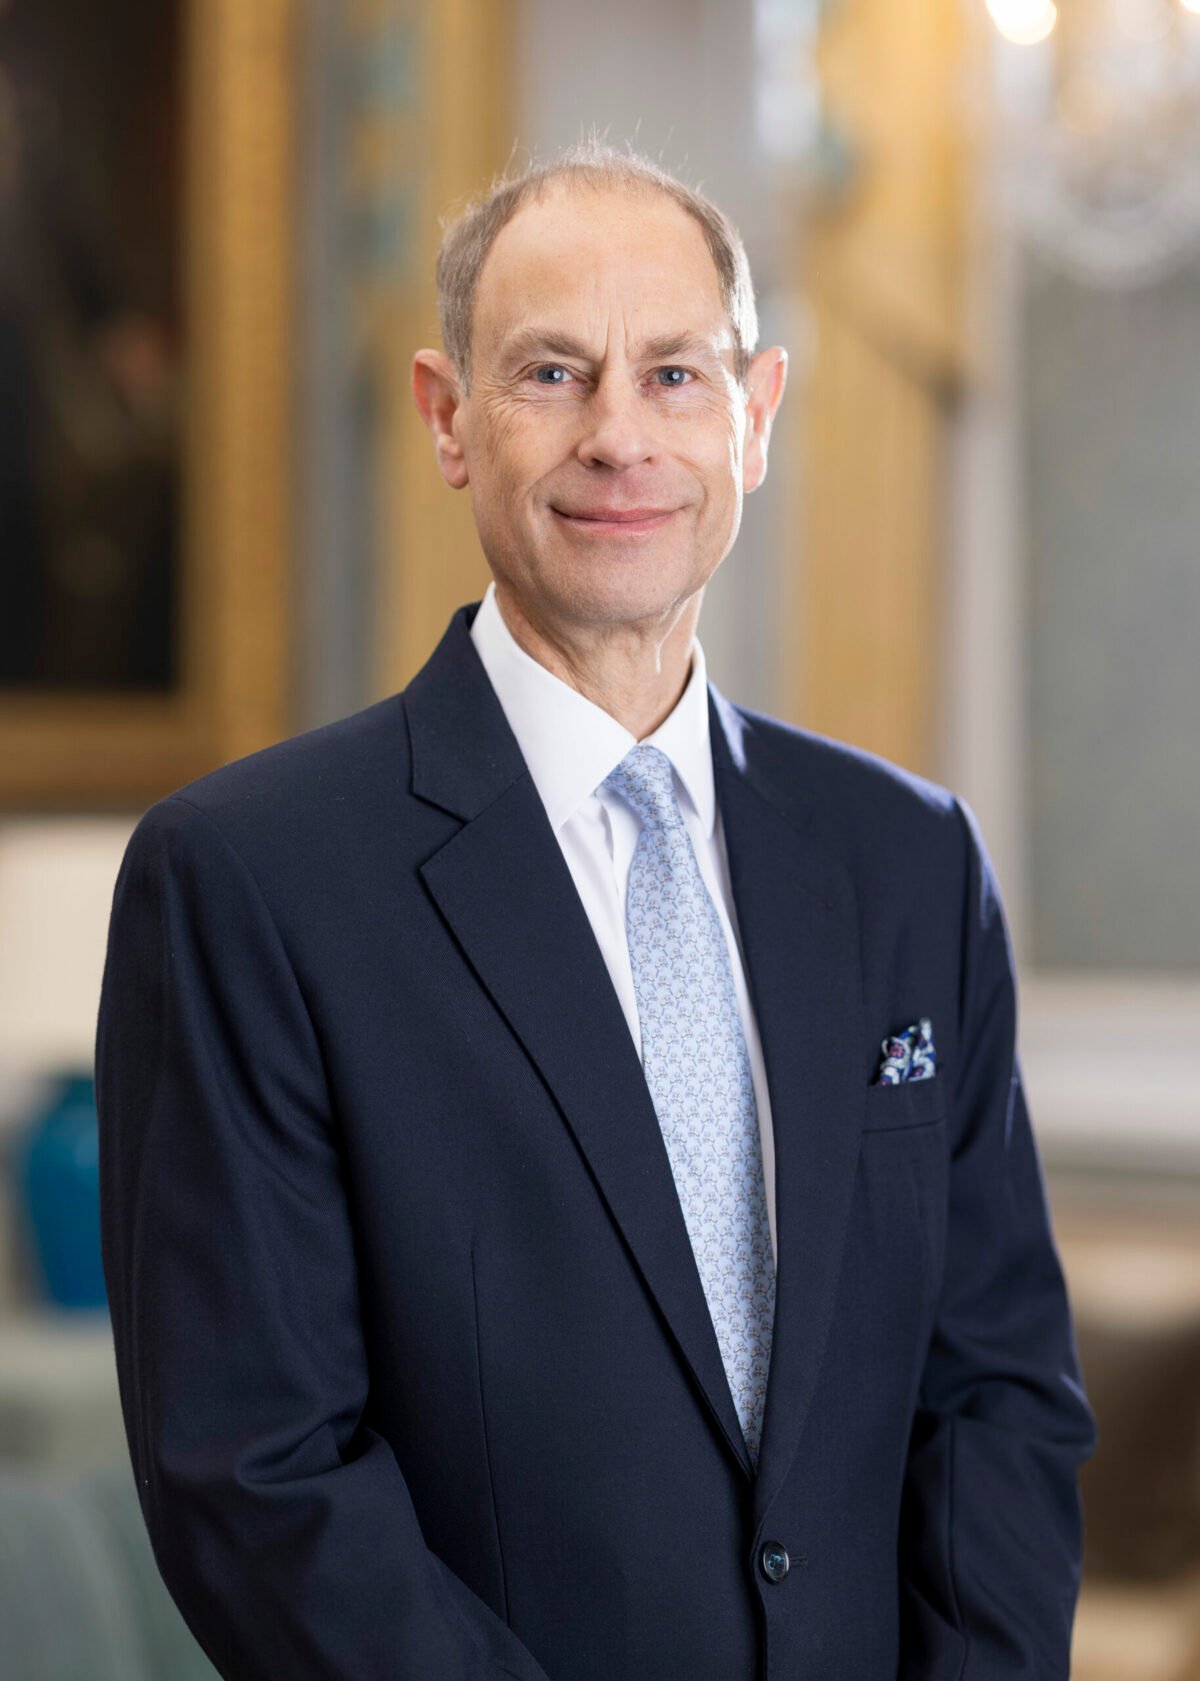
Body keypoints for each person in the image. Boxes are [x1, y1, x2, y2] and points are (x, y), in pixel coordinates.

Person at [96, 142, 1097, 1681]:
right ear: (448, 417)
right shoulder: (247, 881)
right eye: (552, 373)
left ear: (754, 417)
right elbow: (255, 1475)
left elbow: (1000, 1390)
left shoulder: (908, 862)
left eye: (675, 375)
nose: (620, 436)